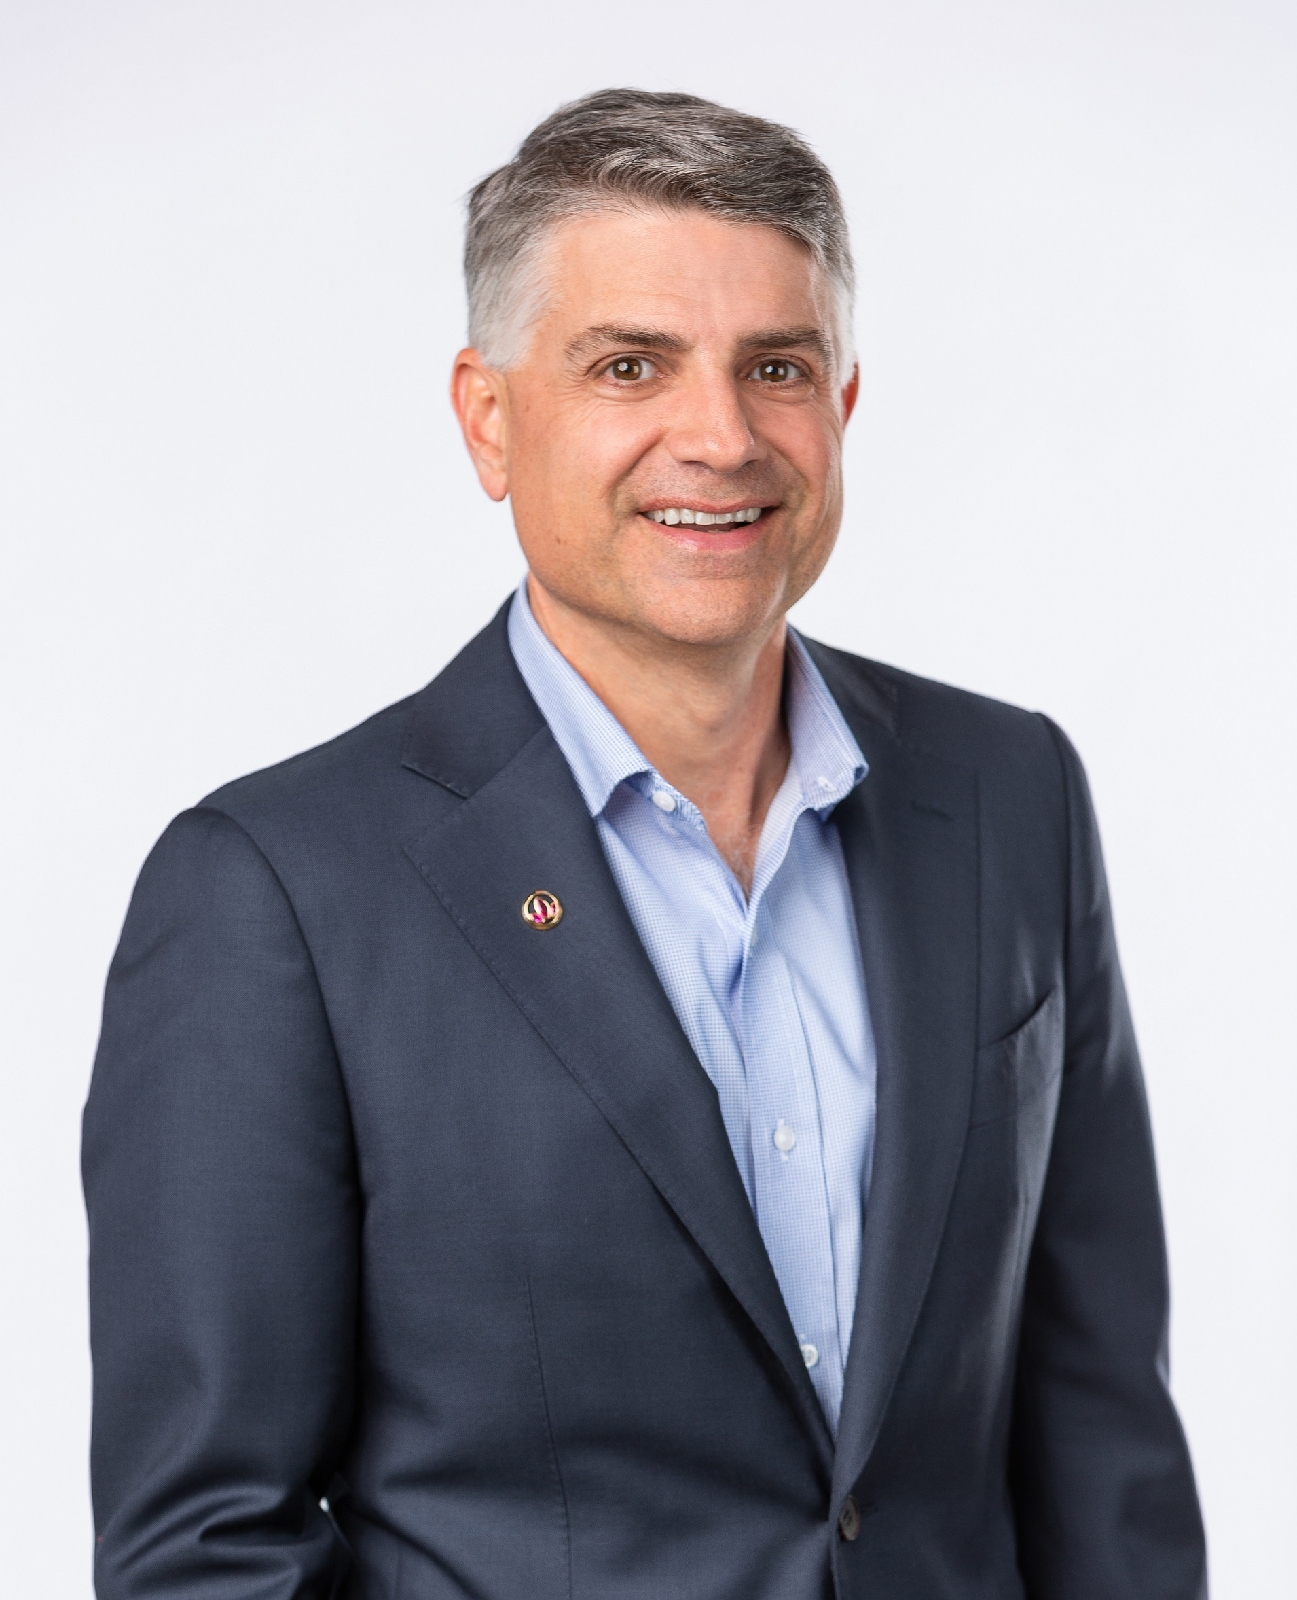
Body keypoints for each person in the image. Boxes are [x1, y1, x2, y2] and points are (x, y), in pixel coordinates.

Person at [82, 89, 1207, 1599]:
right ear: (490, 419)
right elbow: (207, 1549)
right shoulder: (274, 892)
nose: (722, 437)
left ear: (844, 405)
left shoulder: (1009, 795)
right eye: (630, 366)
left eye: (776, 368)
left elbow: (1103, 1432)